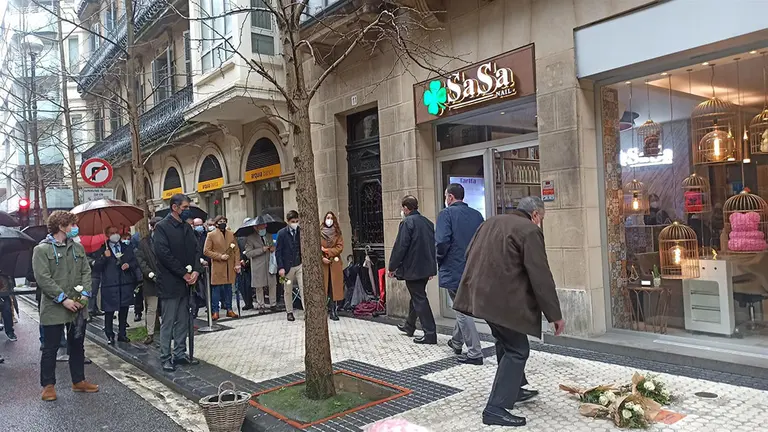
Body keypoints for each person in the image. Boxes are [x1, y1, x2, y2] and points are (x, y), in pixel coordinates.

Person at [454, 196, 565, 427]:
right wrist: (554, 315)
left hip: (480, 296)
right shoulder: (529, 230)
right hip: (503, 301)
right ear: (535, 214)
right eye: (541, 218)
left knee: (506, 342)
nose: (540, 222)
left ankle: (514, 389)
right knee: (518, 349)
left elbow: (468, 253)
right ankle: (495, 408)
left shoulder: (490, 222)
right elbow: (540, 275)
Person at [32, 210, 99, 401]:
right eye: (72, 225)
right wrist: (63, 299)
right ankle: (48, 386)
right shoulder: (41, 250)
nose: (75, 228)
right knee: (50, 348)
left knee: (77, 345)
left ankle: (78, 381)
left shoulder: (77, 248)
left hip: (77, 306)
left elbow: (86, 271)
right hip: (54, 307)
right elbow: (43, 279)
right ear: (61, 227)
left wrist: (84, 295)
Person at [153, 194, 204, 371]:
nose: (187, 210)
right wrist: (183, 273)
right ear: (174, 208)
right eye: (184, 208)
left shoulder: (187, 227)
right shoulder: (162, 227)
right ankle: (165, 356)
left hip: (187, 283)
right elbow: (163, 254)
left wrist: (196, 270)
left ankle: (180, 353)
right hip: (170, 282)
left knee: (184, 320)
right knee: (169, 321)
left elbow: (197, 250)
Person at [436, 183, 485, 365]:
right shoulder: (477, 215)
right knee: (463, 305)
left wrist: (439, 259)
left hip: (454, 268)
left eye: (445, 196)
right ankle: (456, 341)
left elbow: (441, 242)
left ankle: (475, 352)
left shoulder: (446, 214)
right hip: (474, 267)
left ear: (450, 197)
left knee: (462, 309)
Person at [389, 195, 437, 345]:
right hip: (425, 268)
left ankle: (430, 333)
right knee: (417, 296)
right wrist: (432, 268)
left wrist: (392, 267)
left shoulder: (407, 223)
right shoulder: (428, 223)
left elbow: (400, 247)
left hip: (413, 268)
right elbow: (432, 246)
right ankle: (409, 325)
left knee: (419, 299)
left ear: (405, 208)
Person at [93, 226, 142, 345]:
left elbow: (135, 261)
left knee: (124, 310)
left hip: (124, 283)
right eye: (112, 233)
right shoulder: (102, 249)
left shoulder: (126, 247)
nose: (115, 235)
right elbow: (97, 267)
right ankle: (109, 334)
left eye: (116, 232)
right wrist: (104, 257)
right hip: (110, 285)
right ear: (107, 235)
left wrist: (129, 265)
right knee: (109, 311)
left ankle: (122, 334)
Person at [204, 215, 241, 320]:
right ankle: (215, 311)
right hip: (218, 266)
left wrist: (237, 263)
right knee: (216, 290)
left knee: (229, 289)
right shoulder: (211, 235)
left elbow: (236, 250)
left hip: (229, 266)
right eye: (220, 221)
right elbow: (206, 251)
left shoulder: (231, 234)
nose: (222, 223)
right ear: (216, 223)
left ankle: (229, 309)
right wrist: (220, 256)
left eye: (224, 221)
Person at [136, 217, 163, 344]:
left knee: (168, 308)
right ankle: (150, 333)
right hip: (150, 281)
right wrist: (150, 274)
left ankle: (169, 331)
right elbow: (141, 262)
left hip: (166, 279)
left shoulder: (166, 240)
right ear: (152, 227)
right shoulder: (144, 243)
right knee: (152, 308)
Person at [276, 210, 304, 322]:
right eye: (293, 221)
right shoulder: (281, 233)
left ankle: (306, 311)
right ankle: (289, 312)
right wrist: (280, 267)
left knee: (303, 288)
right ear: (288, 221)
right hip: (287, 267)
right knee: (287, 290)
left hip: (299, 265)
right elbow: (278, 252)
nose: (295, 223)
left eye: (297, 221)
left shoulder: (301, 231)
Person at [244, 221, 277, 311]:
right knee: (259, 286)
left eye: (264, 227)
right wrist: (261, 250)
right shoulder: (250, 238)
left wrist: (273, 248)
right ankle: (261, 305)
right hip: (258, 265)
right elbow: (248, 253)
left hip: (270, 264)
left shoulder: (269, 235)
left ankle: (273, 304)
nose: (263, 229)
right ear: (256, 228)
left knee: (272, 284)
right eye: (261, 227)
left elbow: (272, 246)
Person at [321, 211, 344, 321]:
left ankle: (334, 310)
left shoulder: (337, 233)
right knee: (324, 287)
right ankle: (323, 309)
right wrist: (322, 258)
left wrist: (327, 250)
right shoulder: (320, 232)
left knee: (334, 287)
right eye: (327, 217)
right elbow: (316, 247)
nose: (329, 220)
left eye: (331, 218)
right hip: (323, 264)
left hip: (335, 264)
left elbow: (340, 247)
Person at [192, 218, 208, 317]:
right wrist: (200, 260)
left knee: (207, 288)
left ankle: (209, 307)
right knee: (195, 290)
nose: (199, 227)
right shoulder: (191, 236)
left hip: (207, 264)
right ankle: (195, 310)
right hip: (196, 265)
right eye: (197, 225)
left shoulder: (207, 235)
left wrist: (206, 260)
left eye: (200, 224)